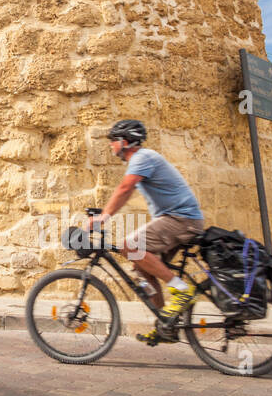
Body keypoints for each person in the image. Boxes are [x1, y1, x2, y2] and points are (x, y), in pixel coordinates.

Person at [88, 119, 205, 344]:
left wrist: (103, 217)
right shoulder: (142, 161)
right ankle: (165, 324)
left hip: (182, 220)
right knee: (140, 267)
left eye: (113, 141)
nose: (111, 145)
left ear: (125, 141)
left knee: (129, 246)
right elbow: (126, 191)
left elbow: (125, 188)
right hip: (176, 220)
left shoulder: (143, 157)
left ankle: (181, 290)